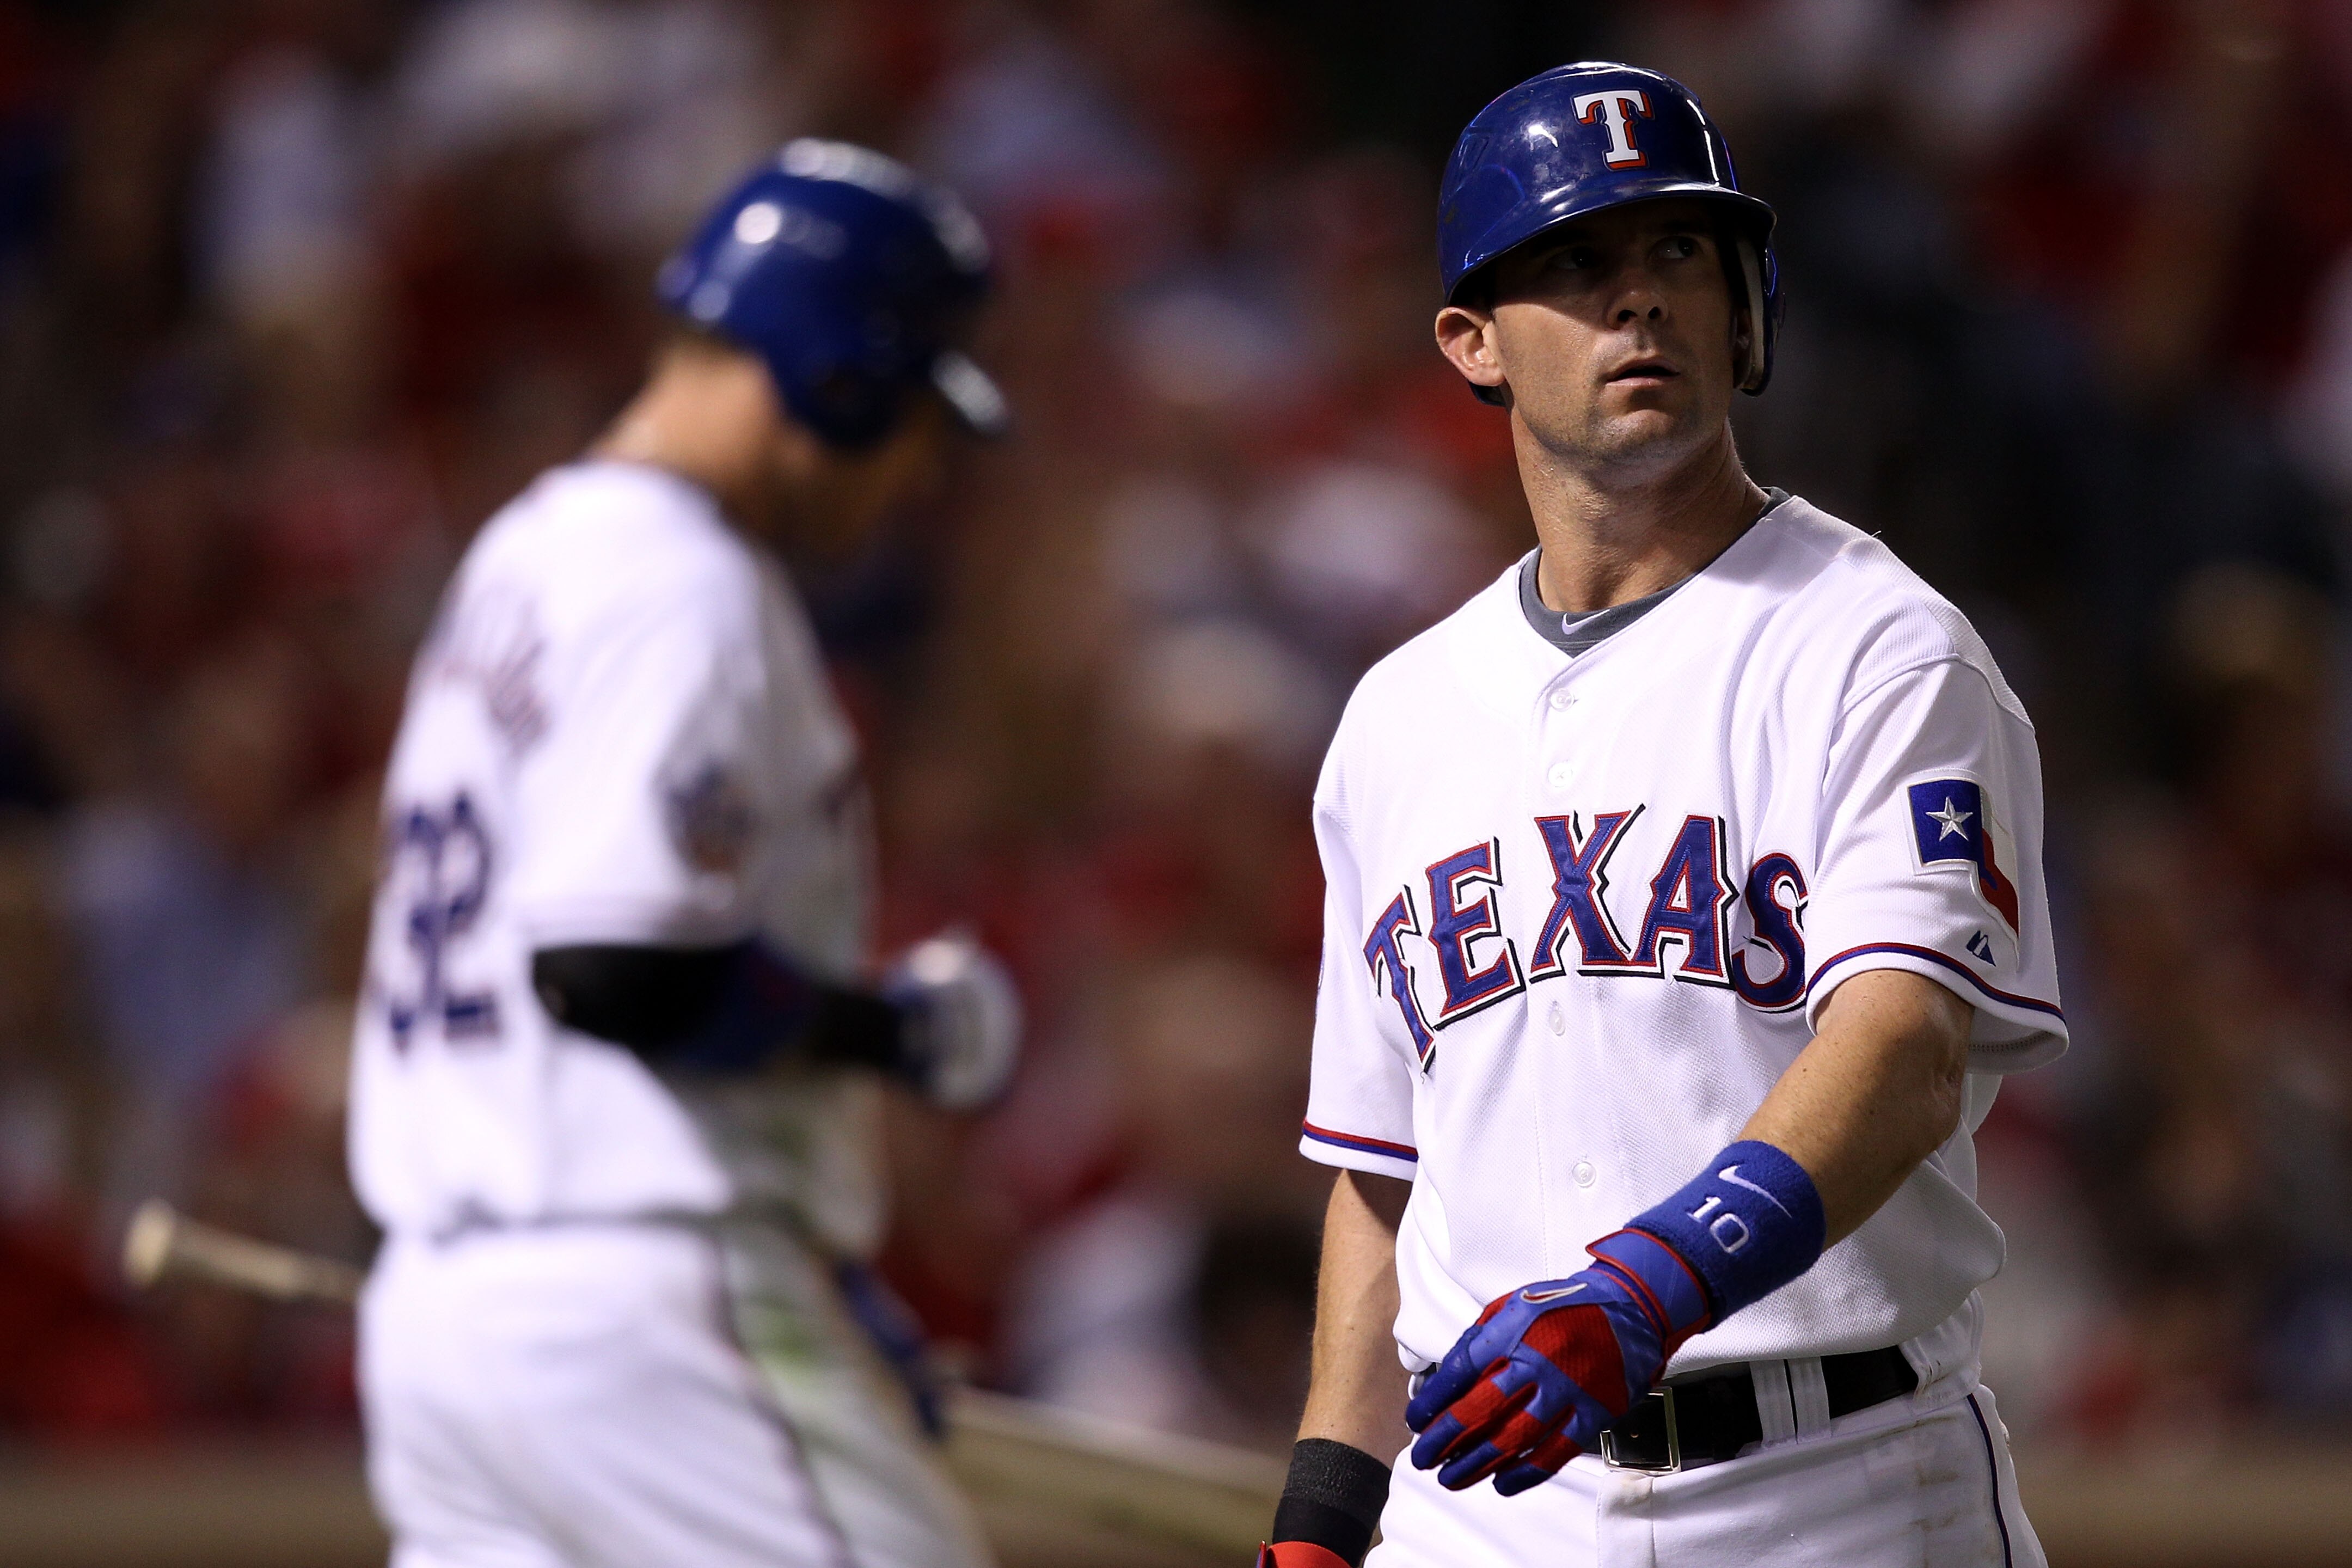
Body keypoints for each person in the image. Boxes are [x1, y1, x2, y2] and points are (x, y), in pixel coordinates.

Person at [1258, 63, 2062, 1568]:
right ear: (1471, 342)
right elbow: (1384, 1175)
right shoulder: (1399, 718)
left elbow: (1902, 1053)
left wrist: (1649, 1287)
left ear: (1742, 300)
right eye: (1578, 262)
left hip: (1839, 1485)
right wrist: (1320, 1517)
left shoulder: (1877, 644)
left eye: (1677, 252)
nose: (1640, 301)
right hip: (1482, 1507)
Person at [348, 139, 1018, 1568]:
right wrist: (891, 1032)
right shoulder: (681, 584)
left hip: (445, 1321)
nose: (913, 472)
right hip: (634, 1295)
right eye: (912, 419)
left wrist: (819, 1264)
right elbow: (616, 966)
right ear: (844, 379)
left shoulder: (522, 554)